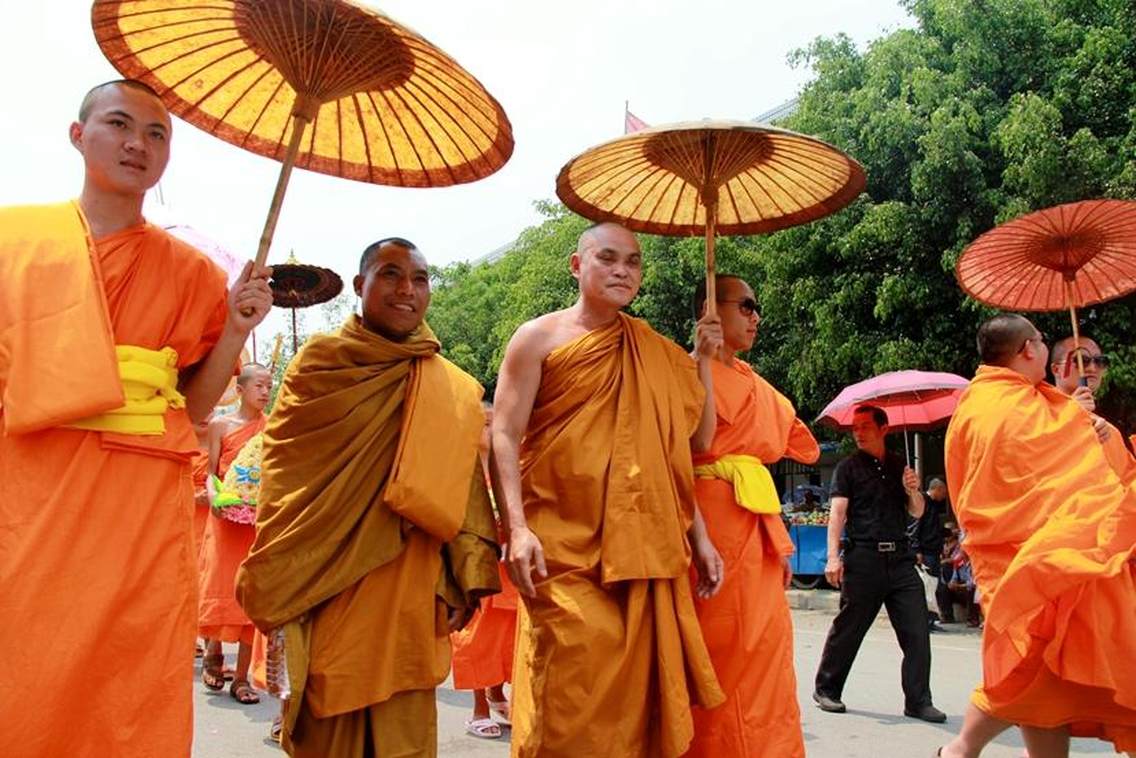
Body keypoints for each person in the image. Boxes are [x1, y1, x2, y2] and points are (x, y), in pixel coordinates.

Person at [0, 79, 271, 757]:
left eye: (157, 136)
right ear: (77, 134)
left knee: (128, 661)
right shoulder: (13, 240)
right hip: (29, 483)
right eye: (120, 125)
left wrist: (236, 329)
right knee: (23, 651)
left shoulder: (194, 273)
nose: (138, 145)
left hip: (138, 497)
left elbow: (198, 406)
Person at [236, 238, 501, 757]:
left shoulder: (448, 385)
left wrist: (464, 575)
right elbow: (286, 475)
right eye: (390, 274)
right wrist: (292, 573)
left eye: (420, 279)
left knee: (404, 732)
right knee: (330, 722)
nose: (407, 290)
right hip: (329, 580)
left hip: (412, 585)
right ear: (360, 286)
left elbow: (464, 482)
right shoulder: (322, 365)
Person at [492, 221, 726, 757]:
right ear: (578, 265)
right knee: (568, 692)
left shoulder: (655, 351)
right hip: (561, 547)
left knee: (631, 709)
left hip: (640, 552)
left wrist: (703, 360)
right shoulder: (538, 338)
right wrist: (517, 528)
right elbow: (503, 433)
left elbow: (692, 440)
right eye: (609, 258)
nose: (623, 270)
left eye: (634, 262)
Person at [938, 314, 1136, 758]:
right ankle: (961, 749)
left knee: (1043, 678)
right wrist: (1075, 422)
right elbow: (1038, 468)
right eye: (1044, 341)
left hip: (1027, 562)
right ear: (1029, 349)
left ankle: (961, 750)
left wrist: (1075, 416)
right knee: (1029, 670)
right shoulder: (1009, 407)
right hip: (1036, 564)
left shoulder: (986, 402)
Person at [682, 275, 820, 757]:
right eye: (746, 306)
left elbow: (800, 444)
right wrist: (700, 359)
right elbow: (687, 448)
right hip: (710, 525)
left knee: (767, 654)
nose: (756, 316)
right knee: (721, 651)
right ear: (710, 312)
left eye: (755, 306)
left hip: (757, 526)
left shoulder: (757, 384)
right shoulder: (681, 371)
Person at [813, 404, 945, 723]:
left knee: (916, 629)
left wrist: (913, 491)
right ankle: (827, 689)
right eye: (855, 427)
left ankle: (918, 700)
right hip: (864, 558)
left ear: (883, 429)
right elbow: (838, 514)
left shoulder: (902, 466)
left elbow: (915, 511)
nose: (858, 432)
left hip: (900, 558)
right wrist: (833, 556)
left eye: (866, 426)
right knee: (850, 627)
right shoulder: (847, 468)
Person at [199, 363, 272, 703]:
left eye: (269, 385)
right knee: (221, 587)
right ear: (241, 390)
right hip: (224, 518)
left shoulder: (273, 429)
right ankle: (213, 650)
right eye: (259, 385)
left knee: (250, 596)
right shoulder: (220, 425)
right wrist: (214, 496)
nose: (265, 391)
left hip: (256, 523)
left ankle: (241, 678)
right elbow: (210, 474)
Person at [450, 402, 518, 740]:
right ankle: (478, 709)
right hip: (479, 571)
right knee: (478, 640)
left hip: (510, 574)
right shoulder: (459, 471)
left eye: (494, 423)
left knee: (507, 639)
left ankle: (497, 695)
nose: (490, 430)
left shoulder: (510, 469)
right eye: (484, 423)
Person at [1050, 334, 1136, 484]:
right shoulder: (1038, 412)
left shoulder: (1110, 432)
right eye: (1081, 361)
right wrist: (1070, 417)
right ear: (1056, 369)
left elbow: (1127, 481)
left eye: (1100, 361)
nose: (1092, 368)